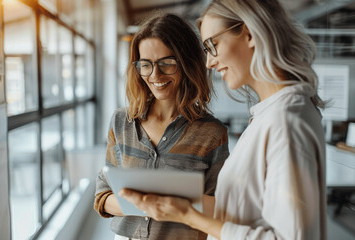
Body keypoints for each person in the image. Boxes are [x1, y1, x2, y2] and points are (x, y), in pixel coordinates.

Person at [119, 0, 327, 239]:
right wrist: (169, 202)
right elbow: (241, 210)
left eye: (213, 44)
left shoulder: (286, 120)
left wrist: (189, 216)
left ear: (248, 33)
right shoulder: (270, 115)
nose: (209, 62)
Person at [93, 11, 230, 240]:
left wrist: (152, 201)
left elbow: (221, 208)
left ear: (187, 63)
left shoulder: (212, 134)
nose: (155, 75)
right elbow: (103, 197)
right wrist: (151, 205)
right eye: (145, 65)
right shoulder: (122, 122)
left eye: (166, 63)